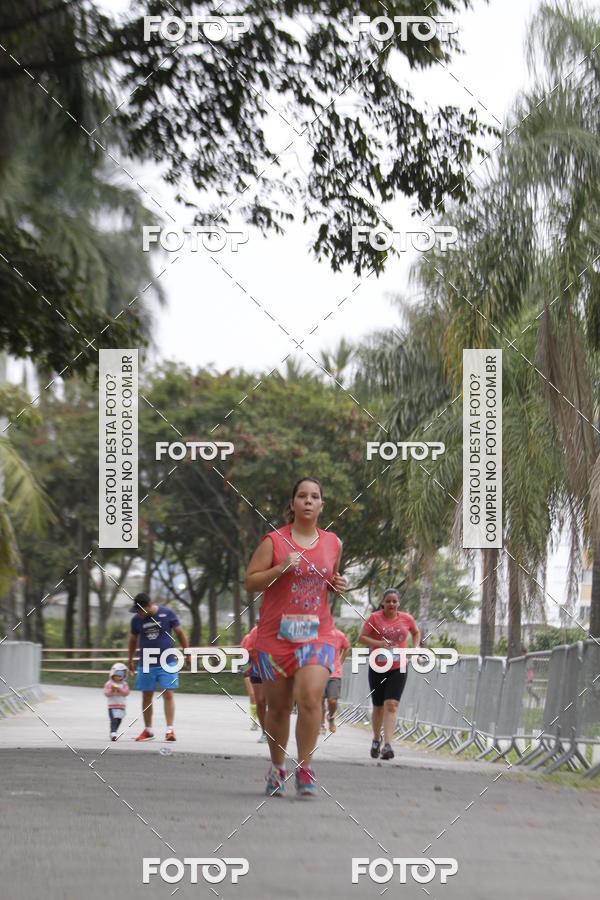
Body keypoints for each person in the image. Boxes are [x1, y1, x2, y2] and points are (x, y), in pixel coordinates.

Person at [245, 477, 347, 797]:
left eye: (314, 496)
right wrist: (280, 569)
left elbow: (329, 579)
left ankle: (305, 767)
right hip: (276, 637)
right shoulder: (273, 541)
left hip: (318, 634)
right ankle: (277, 767)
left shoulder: (333, 542)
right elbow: (250, 582)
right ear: (292, 504)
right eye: (301, 496)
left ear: (321, 505)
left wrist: (336, 585)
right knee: (277, 708)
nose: (307, 501)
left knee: (310, 697)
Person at [358, 588, 420, 761]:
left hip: (398, 666)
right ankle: (376, 740)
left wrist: (415, 648)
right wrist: (379, 643)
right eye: (388, 601)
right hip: (377, 666)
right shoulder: (374, 618)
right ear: (383, 603)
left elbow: (415, 632)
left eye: (395, 601)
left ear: (398, 603)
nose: (391, 604)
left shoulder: (407, 619)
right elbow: (361, 638)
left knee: (391, 704)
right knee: (378, 707)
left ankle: (388, 745)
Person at [127, 592, 190, 742]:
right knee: (146, 695)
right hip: (146, 663)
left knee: (168, 694)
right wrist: (129, 660)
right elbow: (132, 640)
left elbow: (180, 633)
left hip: (167, 661)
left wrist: (188, 654)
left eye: (140, 610)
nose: (138, 614)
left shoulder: (167, 613)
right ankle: (148, 730)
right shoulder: (136, 620)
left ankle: (170, 730)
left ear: (148, 606)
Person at [241, 624, 268, 742]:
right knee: (260, 701)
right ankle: (265, 732)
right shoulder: (253, 632)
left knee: (276, 703)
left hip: (276, 670)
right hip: (256, 670)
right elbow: (246, 652)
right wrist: (245, 668)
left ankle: (277, 731)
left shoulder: (281, 628)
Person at [321, 627, 350, 734]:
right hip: (318, 672)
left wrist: (340, 661)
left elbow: (346, 647)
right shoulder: (316, 634)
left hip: (334, 673)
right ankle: (321, 724)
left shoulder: (339, 635)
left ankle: (331, 716)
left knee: (332, 700)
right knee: (320, 700)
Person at [103, 662, 130, 741]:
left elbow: (126, 693)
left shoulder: (124, 684)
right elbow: (106, 693)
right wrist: (112, 690)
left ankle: (114, 732)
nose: (117, 677)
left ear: (123, 676)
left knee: (119, 720)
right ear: (112, 675)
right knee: (113, 720)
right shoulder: (109, 684)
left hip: (121, 706)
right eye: (115, 676)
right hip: (112, 706)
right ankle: (113, 733)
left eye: (119, 676)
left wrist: (119, 689)